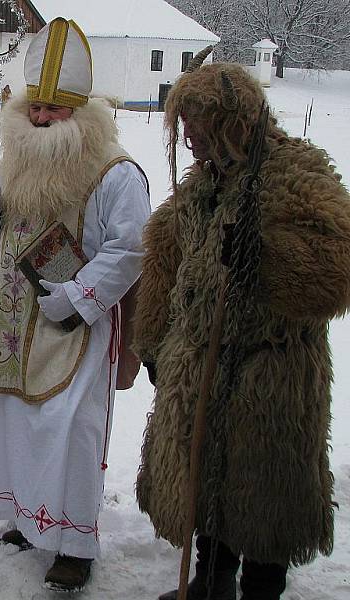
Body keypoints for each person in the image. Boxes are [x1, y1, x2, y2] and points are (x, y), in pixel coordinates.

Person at [132, 50, 350, 600]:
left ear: (232, 121)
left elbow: (339, 260)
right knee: (207, 484)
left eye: (197, 127)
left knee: (264, 493)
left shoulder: (295, 171)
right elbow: (164, 254)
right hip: (201, 363)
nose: (188, 140)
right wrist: (156, 342)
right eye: (182, 128)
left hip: (269, 371)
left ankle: (260, 590)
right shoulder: (203, 184)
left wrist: (268, 252)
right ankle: (209, 584)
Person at [0, 18, 150, 593]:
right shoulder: (17, 158)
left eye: (55, 110)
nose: (41, 119)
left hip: (76, 328)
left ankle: (73, 544)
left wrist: (79, 297)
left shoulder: (116, 173)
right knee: (17, 422)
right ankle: (27, 517)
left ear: (80, 111)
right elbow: (11, 235)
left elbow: (131, 247)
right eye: (35, 108)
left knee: (70, 430)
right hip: (15, 327)